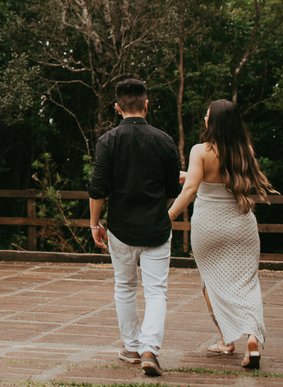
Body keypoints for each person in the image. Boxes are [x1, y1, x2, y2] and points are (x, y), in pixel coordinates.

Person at [167, 98, 275, 370]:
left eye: (207, 115)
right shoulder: (245, 150)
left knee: (211, 283)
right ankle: (252, 337)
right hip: (241, 225)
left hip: (209, 226)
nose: (204, 118)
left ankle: (227, 340)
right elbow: (214, 180)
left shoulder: (199, 151)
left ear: (213, 121)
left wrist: (168, 216)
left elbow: (191, 189)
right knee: (247, 284)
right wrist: (187, 175)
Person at [88, 78, 182, 378]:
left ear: (117, 107)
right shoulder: (165, 141)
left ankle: (131, 346)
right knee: (156, 291)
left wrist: (94, 223)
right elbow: (171, 189)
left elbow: (98, 188)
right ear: (146, 104)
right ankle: (149, 349)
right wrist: (160, 209)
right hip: (156, 226)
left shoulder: (108, 141)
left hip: (121, 227)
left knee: (125, 286)